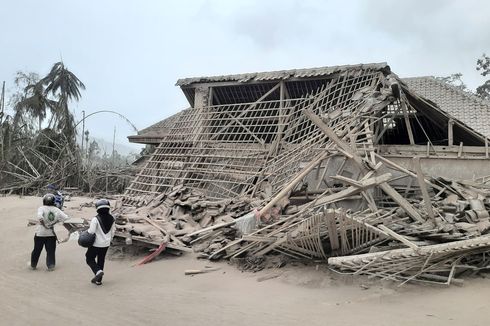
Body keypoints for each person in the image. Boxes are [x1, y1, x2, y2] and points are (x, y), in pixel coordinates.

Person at [30, 194, 70, 271]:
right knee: (51, 251)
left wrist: (44, 225)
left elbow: (40, 217)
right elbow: (66, 218)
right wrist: (56, 221)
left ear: (44, 201)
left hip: (40, 233)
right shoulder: (57, 209)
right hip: (51, 234)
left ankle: (33, 265)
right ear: (53, 201)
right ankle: (50, 265)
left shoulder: (41, 208)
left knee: (37, 250)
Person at [85, 199, 115, 285]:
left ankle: (97, 271)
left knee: (89, 258)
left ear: (97, 208)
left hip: (96, 244)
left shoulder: (95, 219)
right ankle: (99, 280)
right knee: (101, 260)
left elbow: (91, 232)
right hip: (106, 244)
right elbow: (113, 232)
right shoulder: (112, 218)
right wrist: (109, 239)